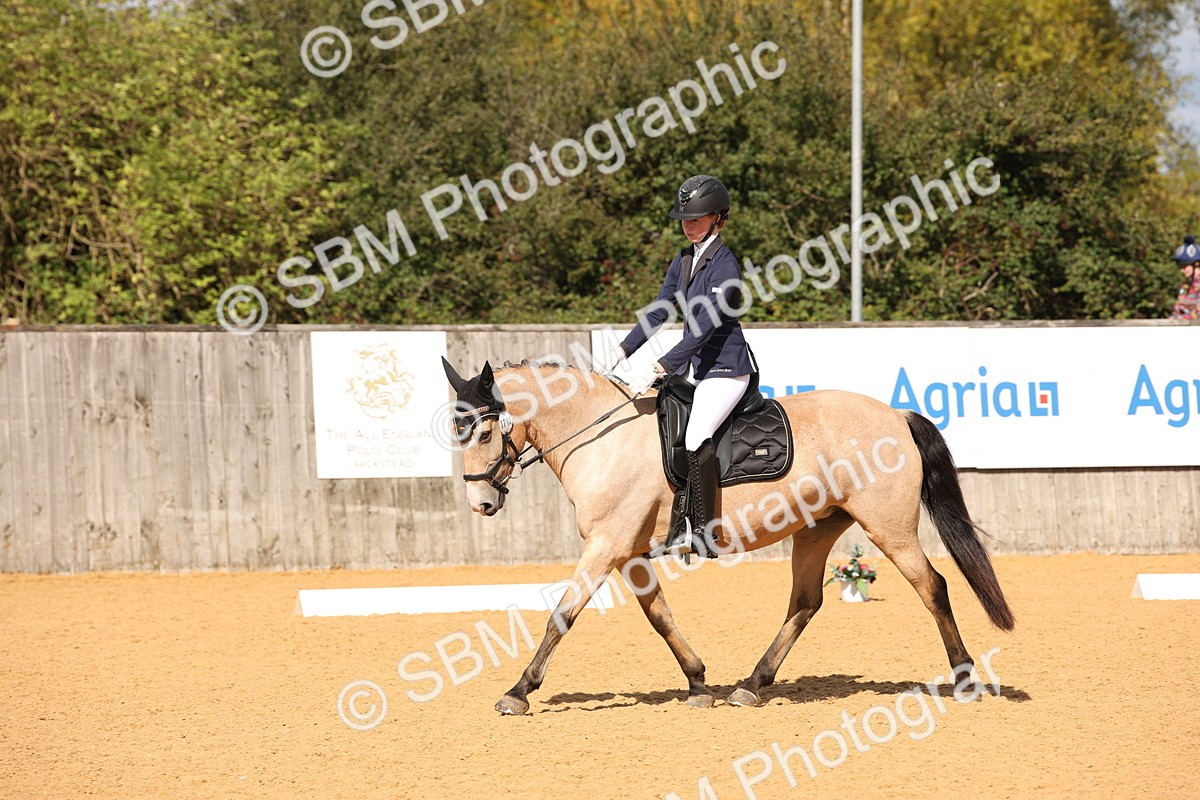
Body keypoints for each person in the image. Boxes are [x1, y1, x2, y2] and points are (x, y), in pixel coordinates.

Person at [609, 175, 756, 558]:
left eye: (697, 218)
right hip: (695, 368)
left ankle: (705, 531)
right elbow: (660, 310)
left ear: (718, 217)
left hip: (726, 368)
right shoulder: (684, 258)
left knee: (695, 436)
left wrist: (661, 365)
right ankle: (672, 522)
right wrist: (624, 349)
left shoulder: (725, 266)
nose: (688, 224)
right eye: (684, 218)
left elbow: (705, 328)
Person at [1170, 235, 1200, 321]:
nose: (1181, 270)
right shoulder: (1185, 286)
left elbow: (1197, 314)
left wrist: (1179, 319)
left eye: (1184, 266)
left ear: (1196, 264)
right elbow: (1177, 310)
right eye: (1180, 267)